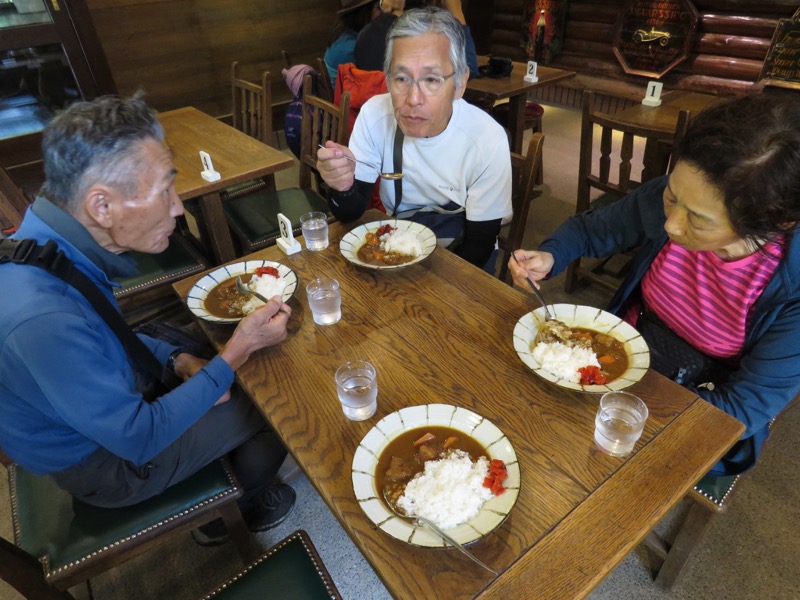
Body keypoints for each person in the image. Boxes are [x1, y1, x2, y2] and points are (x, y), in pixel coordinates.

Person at [0, 94, 295, 546]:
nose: (178, 208)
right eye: (164, 191)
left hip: (100, 417)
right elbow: (139, 437)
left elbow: (108, 338)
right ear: (102, 207)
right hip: (107, 466)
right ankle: (231, 513)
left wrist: (177, 359)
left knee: (192, 349)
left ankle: (217, 443)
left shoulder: (46, 241)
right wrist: (236, 352)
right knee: (277, 402)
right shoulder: (41, 314)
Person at [509, 94, 800, 477]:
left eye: (697, 221)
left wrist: (622, 398)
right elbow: (591, 229)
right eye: (670, 198)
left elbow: (741, 409)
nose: (671, 225)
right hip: (624, 351)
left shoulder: (790, 289)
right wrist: (550, 256)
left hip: (702, 397)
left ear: (774, 222)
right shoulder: (685, 195)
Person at [319, 7, 512, 270]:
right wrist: (340, 186)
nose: (413, 99)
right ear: (387, 79)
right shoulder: (375, 115)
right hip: (398, 243)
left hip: (465, 255)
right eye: (401, 78)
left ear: (460, 82)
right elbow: (350, 212)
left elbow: (480, 244)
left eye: (431, 79)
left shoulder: (487, 139)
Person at [355, 0, 478, 79]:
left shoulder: (364, 35)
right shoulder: (417, 39)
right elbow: (468, 69)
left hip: (379, 112)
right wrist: (456, 11)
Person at [324, 0, 381, 86]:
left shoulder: (343, 32)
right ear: (364, 12)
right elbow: (374, 82)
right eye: (378, 7)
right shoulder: (351, 47)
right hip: (346, 96)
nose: (381, 12)